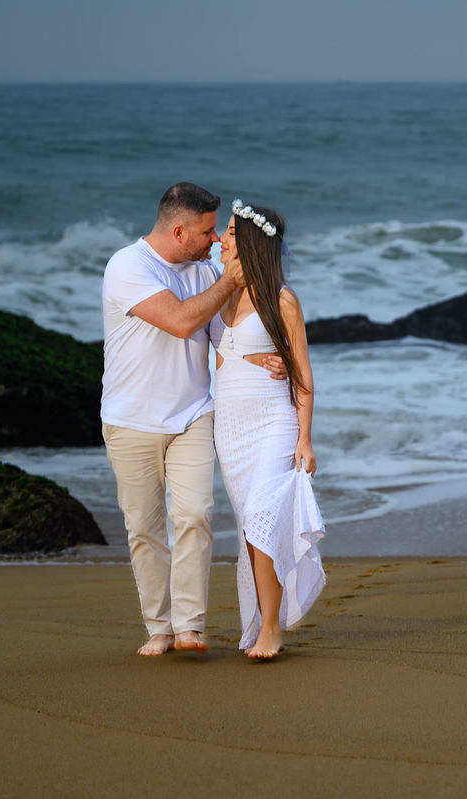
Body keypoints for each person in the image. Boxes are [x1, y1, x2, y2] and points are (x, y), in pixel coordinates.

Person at [100, 182, 282, 657]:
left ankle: (189, 626)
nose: (215, 239)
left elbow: (230, 336)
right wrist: (230, 279)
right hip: (130, 420)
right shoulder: (127, 266)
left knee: (196, 514)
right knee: (144, 527)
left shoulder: (204, 272)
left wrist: (271, 360)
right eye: (206, 231)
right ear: (178, 231)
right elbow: (181, 321)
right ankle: (159, 628)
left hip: (193, 415)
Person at [209, 199, 326, 660]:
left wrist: (304, 439)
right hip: (230, 431)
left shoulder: (283, 300)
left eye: (231, 233)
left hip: (273, 422)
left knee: (262, 520)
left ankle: (272, 630)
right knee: (250, 529)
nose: (221, 238)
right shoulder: (216, 293)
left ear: (251, 243)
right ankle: (263, 624)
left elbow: (302, 377)